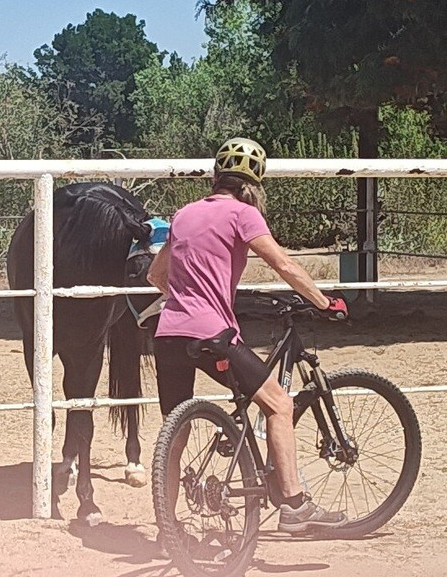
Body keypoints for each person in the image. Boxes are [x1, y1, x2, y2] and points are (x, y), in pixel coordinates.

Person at [146, 137, 349, 534]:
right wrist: (324, 302)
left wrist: (189, 297)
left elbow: (156, 275)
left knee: (176, 429)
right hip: (213, 335)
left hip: (168, 333)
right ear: (253, 186)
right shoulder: (243, 214)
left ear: (216, 177)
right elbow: (283, 264)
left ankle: (166, 528)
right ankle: (294, 506)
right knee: (278, 404)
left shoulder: (184, 214)